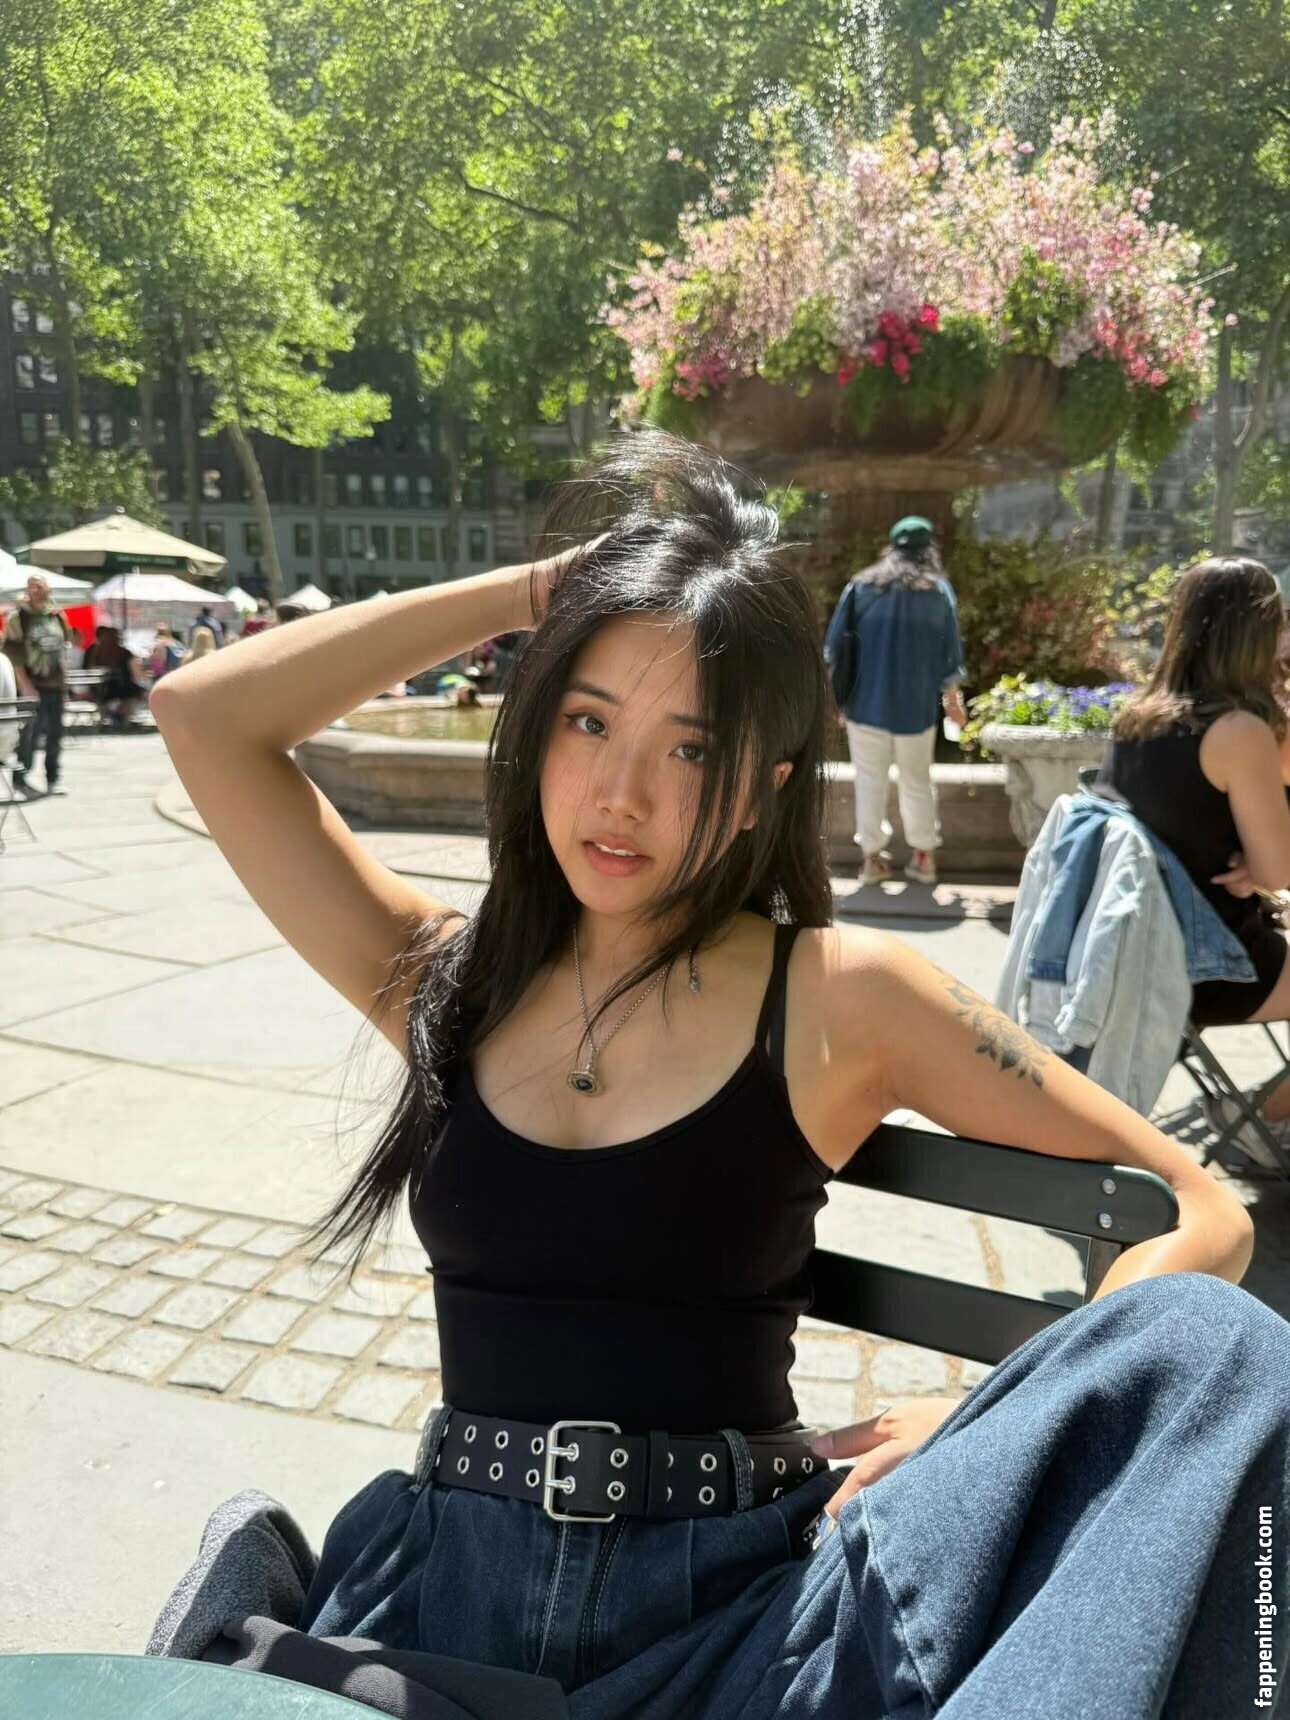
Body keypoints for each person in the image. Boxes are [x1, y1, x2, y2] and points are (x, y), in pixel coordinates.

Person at [148, 433, 1285, 1718]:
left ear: (762, 790)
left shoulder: (841, 994)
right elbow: (207, 715)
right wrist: (546, 589)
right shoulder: (446, 978)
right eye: (587, 720)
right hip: (435, 1610)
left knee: (1232, 1352)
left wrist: (983, 1417)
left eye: (689, 750)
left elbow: (1204, 1211)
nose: (620, 793)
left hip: (738, 1629)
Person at [1096, 554, 1290, 1161]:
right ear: (1258, 632)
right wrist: (1264, 863)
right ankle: (1268, 1117)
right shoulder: (1237, 732)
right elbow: (1281, 873)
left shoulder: (1136, 719)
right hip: (1217, 969)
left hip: (1146, 956)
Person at [824, 517, 967, 888]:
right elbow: (950, 657)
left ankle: (871, 860)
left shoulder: (860, 586)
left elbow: (833, 647)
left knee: (869, 782)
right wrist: (953, 703)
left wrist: (836, 699)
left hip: (864, 705)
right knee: (917, 782)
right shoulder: (937, 592)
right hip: (915, 709)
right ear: (928, 550)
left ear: (891, 548)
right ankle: (924, 857)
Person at [2, 572, 70, 795]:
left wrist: (65, 687)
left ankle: (53, 778)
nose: (35, 590)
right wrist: (25, 685)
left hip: (54, 684)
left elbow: (62, 651)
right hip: (31, 685)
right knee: (29, 735)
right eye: (31, 586)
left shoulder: (57, 615)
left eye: (39, 586)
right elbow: (13, 654)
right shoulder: (18, 617)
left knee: (55, 734)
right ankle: (21, 780)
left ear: (48, 588)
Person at [83, 624, 146, 727]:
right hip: (123, 689)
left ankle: (107, 715)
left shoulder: (94, 652)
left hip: (99, 690)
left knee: (108, 694)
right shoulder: (124, 652)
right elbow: (136, 673)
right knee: (139, 692)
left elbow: (87, 669)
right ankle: (123, 714)